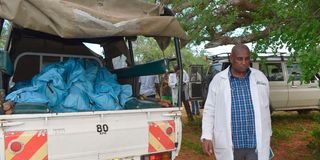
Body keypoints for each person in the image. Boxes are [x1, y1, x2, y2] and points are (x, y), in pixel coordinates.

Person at [201, 44, 272, 160]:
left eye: (247, 58)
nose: (244, 62)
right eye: (240, 59)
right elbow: (209, 110)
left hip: (255, 145)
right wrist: (206, 136)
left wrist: (268, 134)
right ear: (231, 58)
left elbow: (265, 109)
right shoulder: (219, 80)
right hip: (230, 145)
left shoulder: (260, 78)